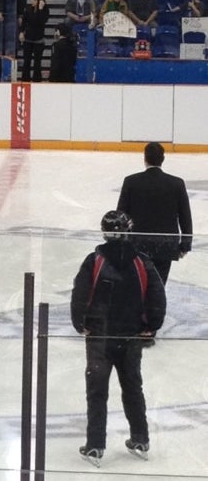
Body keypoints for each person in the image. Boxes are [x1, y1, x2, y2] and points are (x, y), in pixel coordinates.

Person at [71, 210, 166, 466]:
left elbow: (80, 292)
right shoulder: (142, 261)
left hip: (100, 338)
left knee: (97, 391)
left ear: (104, 231)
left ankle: (95, 445)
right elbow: (157, 295)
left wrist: (79, 323)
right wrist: (152, 326)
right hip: (131, 337)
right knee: (133, 387)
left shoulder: (94, 260)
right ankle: (140, 438)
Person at [117, 142, 193, 286]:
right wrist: (185, 245)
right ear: (162, 159)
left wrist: (119, 243)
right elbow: (185, 216)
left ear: (145, 158)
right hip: (165, 246)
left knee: (137, 286)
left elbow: (121, 215)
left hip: (137, 245)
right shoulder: (176, 183)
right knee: (157, 287)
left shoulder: (131, 182)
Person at [19, 0, 49, 82]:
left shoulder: (45, 10)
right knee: (26, 61)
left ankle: (37, 79)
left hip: (38, 39)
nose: (32, 1)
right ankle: (25, 80)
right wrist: (21, 32)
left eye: (35, 0)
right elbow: (24, 22)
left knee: (37, 62)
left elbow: (40, 21)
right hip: (28, 38)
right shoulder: (28, 9)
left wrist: (40, 9)